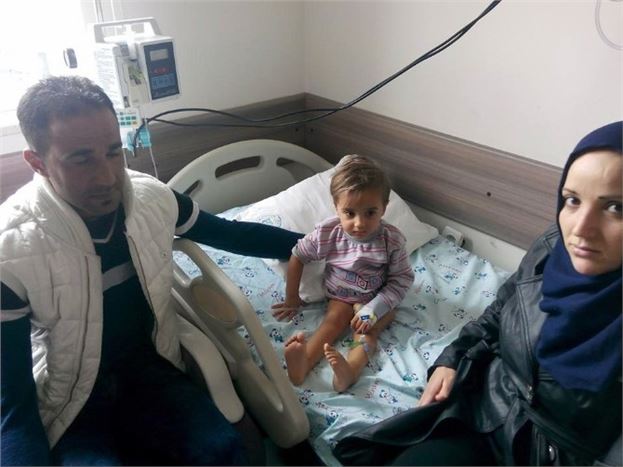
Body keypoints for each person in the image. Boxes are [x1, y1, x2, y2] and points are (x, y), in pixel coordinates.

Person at [0, 75, 305, 466]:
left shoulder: (151, 200)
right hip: (73, 400)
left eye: (114, 152)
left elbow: (233, 234)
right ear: (37, 162)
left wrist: (326, 246)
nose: (107, 177)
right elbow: (14, 406)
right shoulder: (12, 250)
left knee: (230, 451)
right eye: (81, 159)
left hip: (151, 371)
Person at [333, 121, 622, 466]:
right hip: (488, 408)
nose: (581, 229)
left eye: (615, 207)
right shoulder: (551, 248)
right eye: (572, 200)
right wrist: (453, 358)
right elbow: (501, 311)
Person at [271, 155, 415, 392]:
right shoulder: (329, 232)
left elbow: (401, 280)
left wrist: (373, 309)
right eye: (349, 213)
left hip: (378, 299)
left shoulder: (391, 240)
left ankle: (350, 371)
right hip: (341, 296)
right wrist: (292, 298)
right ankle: (303, 363)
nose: (359, 223)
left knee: (367, 332)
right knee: (332, 322)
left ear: (384, 207)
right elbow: (298, 256)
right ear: (336, 207)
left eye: (370, 213)